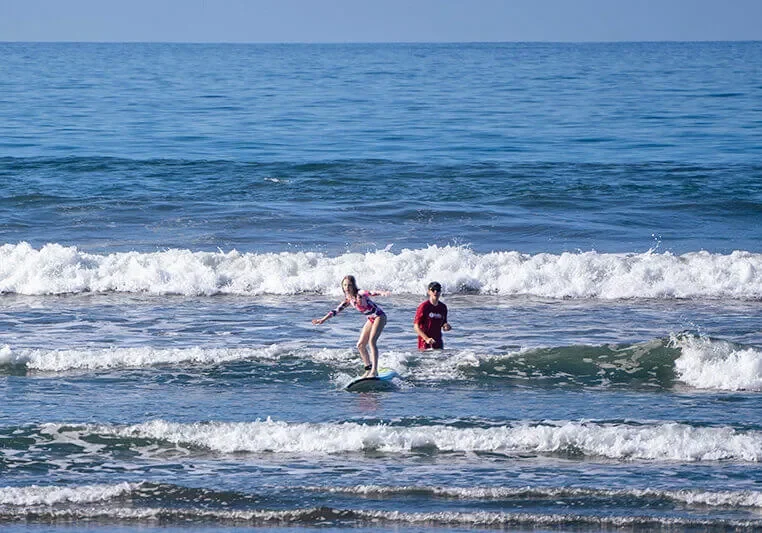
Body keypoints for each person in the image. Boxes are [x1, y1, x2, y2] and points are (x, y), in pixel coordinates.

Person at [312, 275, 389, 378]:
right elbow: (336, 311)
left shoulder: (360, 294)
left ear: (353, 286)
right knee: (360, 345)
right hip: (371, 319)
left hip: (379, 316)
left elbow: (370, 292)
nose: (347, 287)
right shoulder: (349, 300)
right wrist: (323, 319)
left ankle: (374, 371)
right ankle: (368, 369)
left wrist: (381, 293)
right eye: (344, 285)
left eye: (349, 285)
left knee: (371, 342)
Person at [414, 281, 451, 350]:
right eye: (433, 290)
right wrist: (426, 338)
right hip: (425, 344)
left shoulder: (443, 307)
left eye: (438, 290)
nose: (435, 292)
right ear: (429, 292)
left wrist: (446, 326)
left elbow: (443, 323)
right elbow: (416, 327)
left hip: (438, 343)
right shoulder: (423, 307)